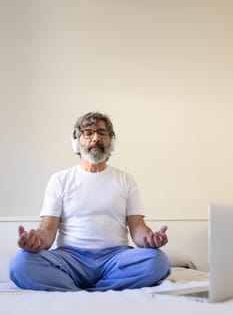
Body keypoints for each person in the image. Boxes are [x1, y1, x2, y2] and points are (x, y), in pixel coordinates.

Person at [10, 112, 170, 292]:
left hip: (115, 257)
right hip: (70, 258)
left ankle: (87, 290)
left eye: (102, 133)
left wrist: (149, 239)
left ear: (111, 141)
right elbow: (47, 232)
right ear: (77, 140)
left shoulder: (125, 179)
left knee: (158, 261)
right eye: (88, 132)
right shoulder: (60, 180)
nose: (96, 138)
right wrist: (36, 241)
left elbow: (138, 228)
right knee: (21, 264)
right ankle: (92, 287)